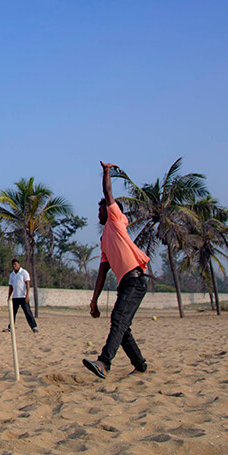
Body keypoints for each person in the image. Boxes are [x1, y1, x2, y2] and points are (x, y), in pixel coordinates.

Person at [84, 161, 150, 379]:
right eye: (99, 210)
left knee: (118, 321)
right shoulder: (105, 239)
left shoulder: (117, 220)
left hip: (135, 280)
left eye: (102, 209)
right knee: (122, 327)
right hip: (126, 284)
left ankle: (104, 362)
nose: (100, 213)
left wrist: (106, 171)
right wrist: (94, 300)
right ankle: (139, 364)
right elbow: (102, 273)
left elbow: (107, 191)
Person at [3, 259, 38, 333]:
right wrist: (9, 296)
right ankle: (10, 327)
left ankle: (34, 327)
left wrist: (27, 295)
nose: (14, 266)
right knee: (13, 313)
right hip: (15, 297)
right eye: (13, 264)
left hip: (23, 296)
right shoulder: (12, 274)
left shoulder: (24, 272)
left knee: (27, 312)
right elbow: (11, 286)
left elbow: (27, 284)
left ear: (19, 264)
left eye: (15, 264)